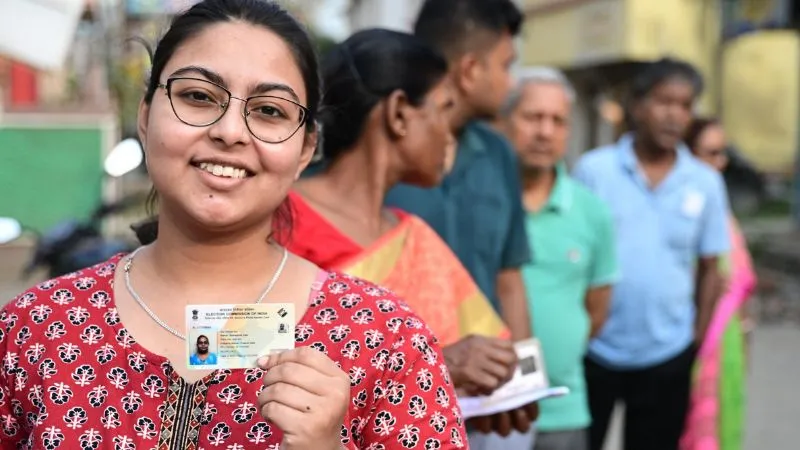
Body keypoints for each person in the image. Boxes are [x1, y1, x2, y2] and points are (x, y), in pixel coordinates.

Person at [0, 1, 466, 449]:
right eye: (198, 97)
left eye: (269, 110)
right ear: (145, 116)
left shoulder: (382, 338)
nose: (230, 131)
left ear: (305, 150)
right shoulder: (37, 328)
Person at [288, 27, 522, 408]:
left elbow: (478, 354)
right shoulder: (281, 222)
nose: (449, 135)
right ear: (398, 113)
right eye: (443, 109)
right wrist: (438, 364)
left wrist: (489, 389)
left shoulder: (412, 235)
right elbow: (241, 365)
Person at [572, 58, 730, 450]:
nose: (675, 115)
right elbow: (569, 255)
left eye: (685, 105)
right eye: (664, 101)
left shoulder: (705, 183)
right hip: (594, 351)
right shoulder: (595, 171)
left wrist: (696, 339)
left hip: (668, 354)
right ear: (637, 105)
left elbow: (711, 268)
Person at [384, 0, 532, 343]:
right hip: (394, 385)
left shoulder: (499, 154)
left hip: (489, 388)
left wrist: (529, 384)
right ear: (469, 70)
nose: (511, 84)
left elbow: (509, 279)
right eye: (505, 66)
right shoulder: (380, 151)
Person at [495, 67, 619, 450]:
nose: (545, 132)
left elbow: (595, 313)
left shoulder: (591, 211)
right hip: (489, 409)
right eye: (533, 117)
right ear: (505, 121)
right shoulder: (481, 204)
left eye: (557, 121)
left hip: (564, 410)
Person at [681, 118, 757, 450]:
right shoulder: (681, 210)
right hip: (693, 344)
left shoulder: (722, 212)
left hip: (728, 345)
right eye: (710, 153)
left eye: (722, 153)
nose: (720, 162)